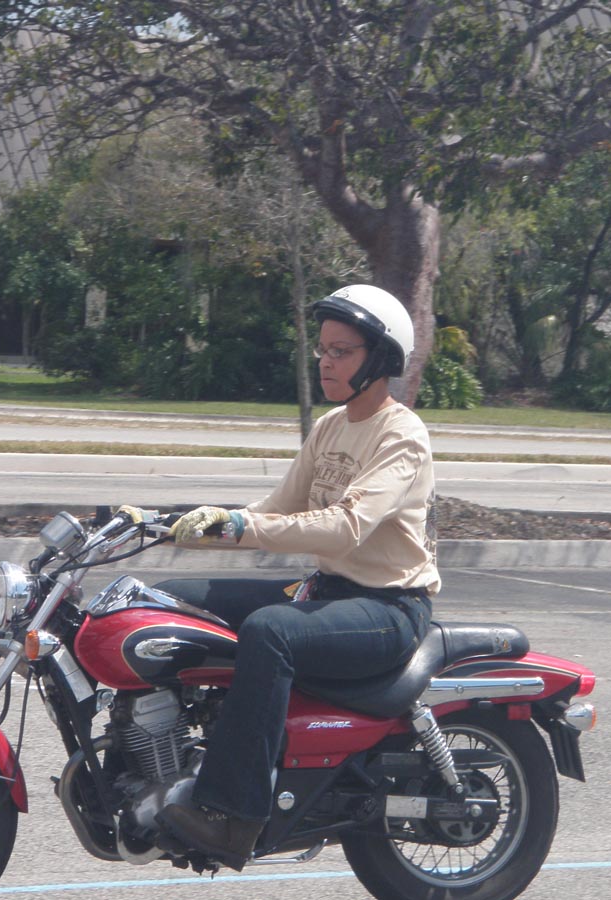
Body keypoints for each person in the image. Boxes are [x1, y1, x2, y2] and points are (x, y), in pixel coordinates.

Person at [153, 284, 440, 870]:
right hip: (330, 592)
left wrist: (241, 526)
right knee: (167, 600)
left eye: (342, 351)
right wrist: (168, 524)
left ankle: (233, 815)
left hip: (388, 610)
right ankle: (161, 760)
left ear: (380, 359)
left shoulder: (401, 434)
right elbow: (275, 509)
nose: (326, 362)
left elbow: (344, 528)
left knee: (270, 630)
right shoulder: (331, 426)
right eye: (323, 350)